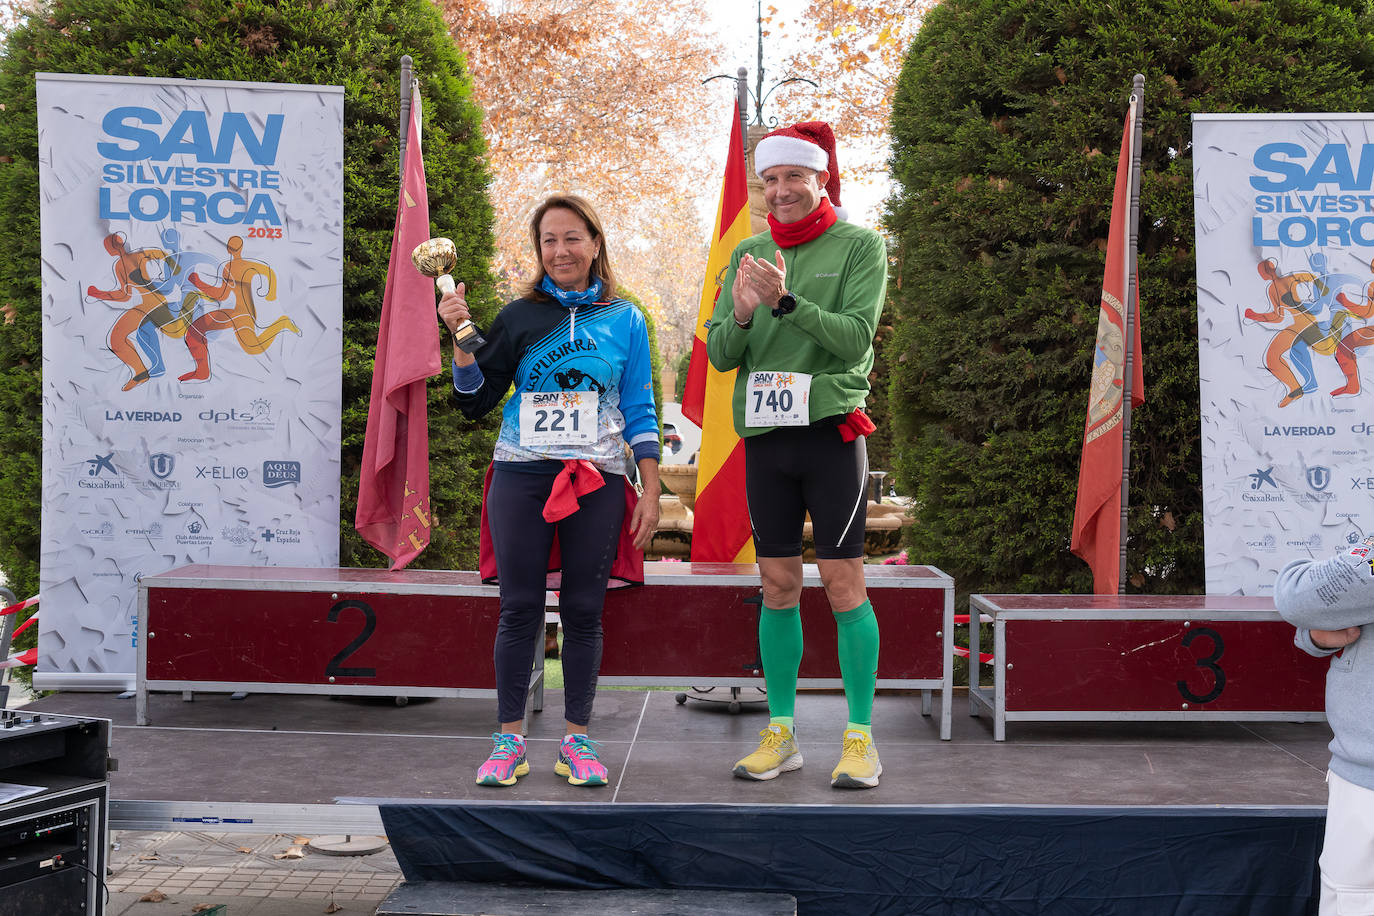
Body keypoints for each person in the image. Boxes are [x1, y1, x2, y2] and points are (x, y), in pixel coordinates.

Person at [437, 194, 660, 788]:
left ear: (595, 243)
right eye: (548, 241)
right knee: (519, 609)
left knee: (586, 612)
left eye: (571, 238)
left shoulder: (628, 319)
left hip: (599, 479)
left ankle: (577, 742)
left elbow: (639, 407)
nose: (560, 251)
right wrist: (461, 345)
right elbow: (477, 401)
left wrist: (653, 485)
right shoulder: (517, 317)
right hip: (522, 475)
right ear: (538, 251)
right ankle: (509, 741)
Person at [706, 121, 887, 788]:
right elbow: (724, 354)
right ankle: (781, 733)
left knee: (843, 585)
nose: (780, 191)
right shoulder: (748, 252)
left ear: (821, 180)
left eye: (794, 178)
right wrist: (747, 310)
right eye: (771, 180)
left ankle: (861, 738)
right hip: (765, 442)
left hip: (832, 438)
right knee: (777, 584)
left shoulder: (861, 246)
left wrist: (786, 301)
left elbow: (853, 340)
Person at [1274, 534, 1374, 912]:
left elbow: (1298, 596)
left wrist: (1315, 626)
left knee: (1355, 902)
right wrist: (1318, 636)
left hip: (1368, 789)